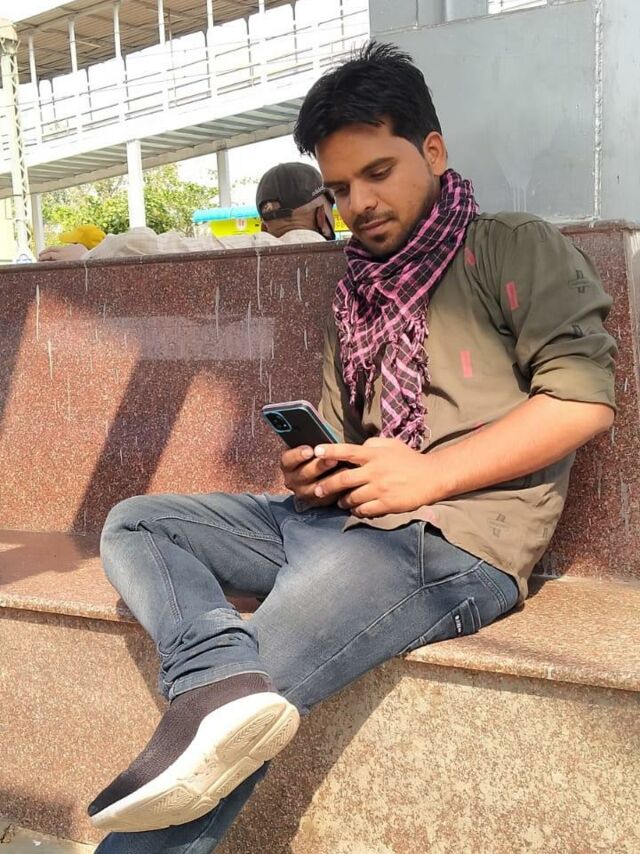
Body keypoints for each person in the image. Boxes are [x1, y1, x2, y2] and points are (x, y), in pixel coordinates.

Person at [90, 41, 616, 852]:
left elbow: (582, 401)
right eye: (339, 188)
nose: (358, 203)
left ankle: (220, 702)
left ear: (432, 151)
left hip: (450, 542)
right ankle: (214, 675)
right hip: (339, 519)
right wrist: (315, 469)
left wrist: (426, 477)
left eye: (377, 173)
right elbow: (353, 438)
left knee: (231, 723)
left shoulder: (512, 247)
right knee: (137, 523)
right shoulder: (359, 290)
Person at [37, 163, 335, 262]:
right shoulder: (346, 261)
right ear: (322, 216)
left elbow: (140, 245)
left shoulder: (253, 249)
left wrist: (87, 256)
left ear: (264, 225)